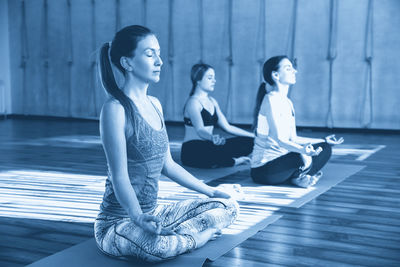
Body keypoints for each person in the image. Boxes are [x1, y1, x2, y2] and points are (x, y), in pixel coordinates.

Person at [94, 25, 239, 263]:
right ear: (127, 63)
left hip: (154, 214)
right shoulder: (115, 109)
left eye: (159, 53)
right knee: (158, 247)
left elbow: (168, 165)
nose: (160, 61)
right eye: (150, 54)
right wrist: (137, 216)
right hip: (118, 222)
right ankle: (195, 239)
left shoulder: (155, 104)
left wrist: (211, 191)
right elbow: (119, 176)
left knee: (229, 206)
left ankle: (178, 237)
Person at [250, 56, 344, 188]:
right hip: (265, 170)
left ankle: (296, 177)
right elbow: (280, 140)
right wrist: (303, 151)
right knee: (300, 156)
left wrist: (322, 140)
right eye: (288, 68)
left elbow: (293, 138)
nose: (295, 71)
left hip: (283, 164)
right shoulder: (271, 100)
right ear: (276, 75)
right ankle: (298, 176)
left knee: (324, 148)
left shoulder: (288, 102)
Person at [181, 63, 255, 168]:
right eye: (210, 78)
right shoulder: (193, 103)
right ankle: (235, 161)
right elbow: (200, 130)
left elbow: (228, 127)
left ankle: (227, 160)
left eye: (214, 78)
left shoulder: (212, 101)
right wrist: (212, 137)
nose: (214, 81)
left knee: (250, 142)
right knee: (210, 154)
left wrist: (254, 136)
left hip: (211, 144)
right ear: (198, 80)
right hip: (193, 148)